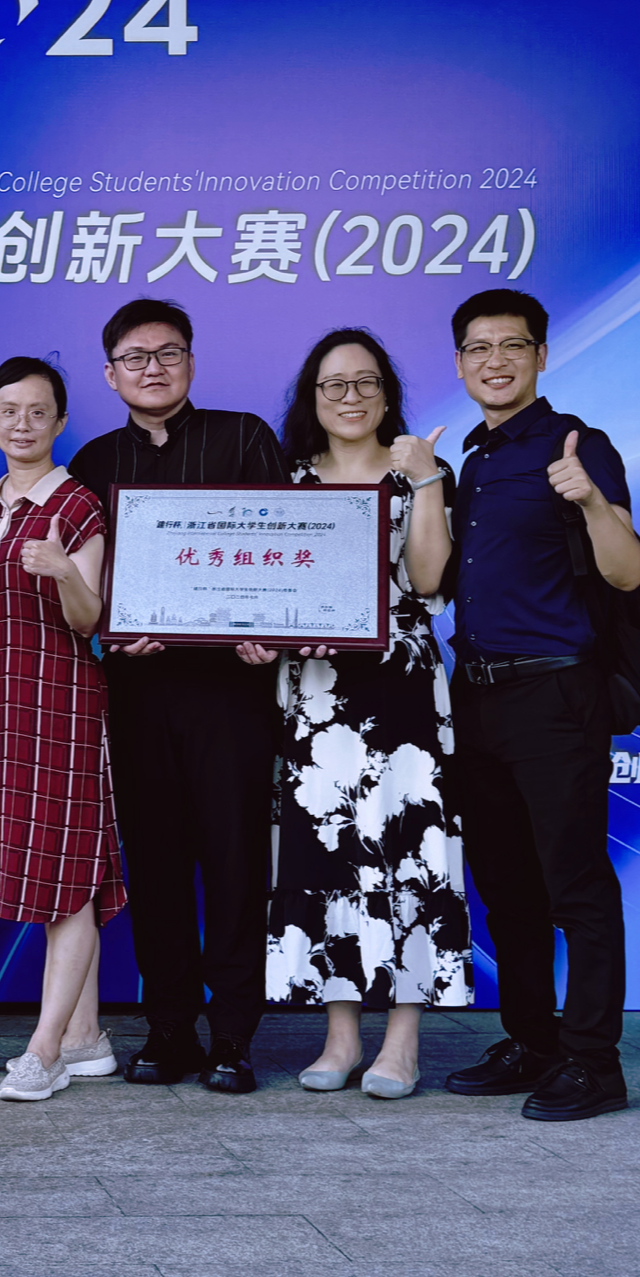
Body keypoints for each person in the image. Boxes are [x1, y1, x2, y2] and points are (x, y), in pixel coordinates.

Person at [67, 297, 285, 1094]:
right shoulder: (92, 462)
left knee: (234, 863)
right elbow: (84, 586)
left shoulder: (245, 438)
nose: (152, 368)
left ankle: (233, 1036)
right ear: (110, 374)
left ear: (192, 361)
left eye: (167, 353)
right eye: (135, 357)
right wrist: (110, 632)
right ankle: (169, 1029)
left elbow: (284, 545)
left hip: (231, 689)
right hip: (138, 690)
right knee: (155, 864)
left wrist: (273, 631)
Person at [440, 291, 640, 1122]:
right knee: (506, 886)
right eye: (479, 348)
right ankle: (533, 1040)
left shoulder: (578, 444)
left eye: (512, 346)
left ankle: (595, 1062)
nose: (495, 361)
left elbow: (627, 571)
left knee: (576, 885)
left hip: (555, 691)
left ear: (541, 356)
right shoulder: (473, 459)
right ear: (460, 363)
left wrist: (591, 502)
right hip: (477, 694)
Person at [248, 329, 468, 1099]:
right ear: (312, 398)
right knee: (324, 855)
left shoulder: (420, 471)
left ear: (387, 393)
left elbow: (430, 579)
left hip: (402, 684)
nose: (351, 397)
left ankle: (402, 1041)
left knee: (411, 853)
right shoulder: (287, 480)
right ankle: (340, 1036)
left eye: (366, 382)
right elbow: (264, 587)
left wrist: (429, 477)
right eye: (334, 384)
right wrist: (257, 637)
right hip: (314, 691)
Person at [0, 357, 125, 1103]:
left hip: (61, 708)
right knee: (44, 873)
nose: (22, 424)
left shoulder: (78, 505)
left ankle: (44, 1050)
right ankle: (86, 1036)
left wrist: (63, 570)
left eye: (38, 412)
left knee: (70, 877)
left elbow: (91, 620)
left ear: (61, 421)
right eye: (9, 411)